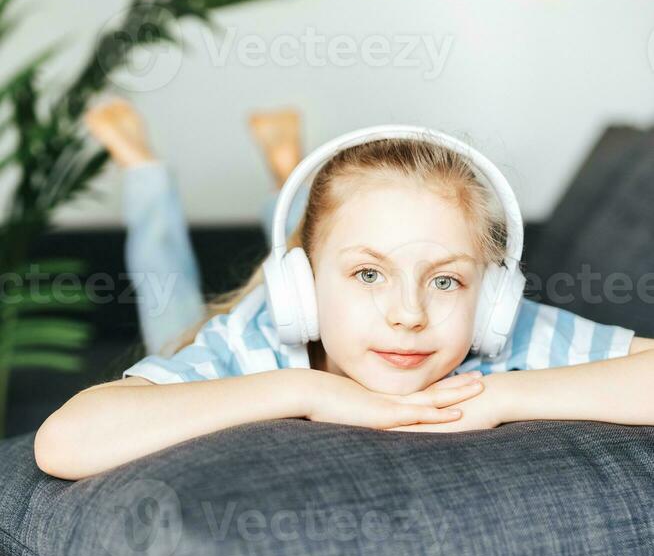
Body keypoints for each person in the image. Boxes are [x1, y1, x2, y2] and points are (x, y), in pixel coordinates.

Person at [34, 101, 654, 480]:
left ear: (490, 298)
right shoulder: (253, 344)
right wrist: (306, 391)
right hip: (261, 338)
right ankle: (180, 171)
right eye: (367, 275)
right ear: (299, 289)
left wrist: (498, 397)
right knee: (167, 308)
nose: (407, 314)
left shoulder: (501, 334)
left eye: (445, 279)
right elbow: (64, 441)